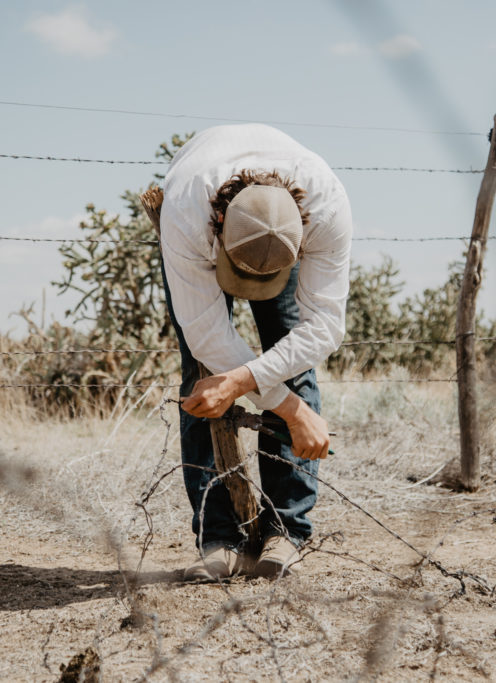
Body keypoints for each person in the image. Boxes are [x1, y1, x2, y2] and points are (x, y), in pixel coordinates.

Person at [158, 123, 353, 581]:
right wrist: (290, 410)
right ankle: (219, 537)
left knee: (292, 356)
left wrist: (250, 382)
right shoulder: (186, 211)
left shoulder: (326, 208)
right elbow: (208, 337)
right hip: (195, 219)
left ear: (302, 238)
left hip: (281, 224)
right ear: (220, 224)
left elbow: (323, 326)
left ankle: (286, 530)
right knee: (202, 376)